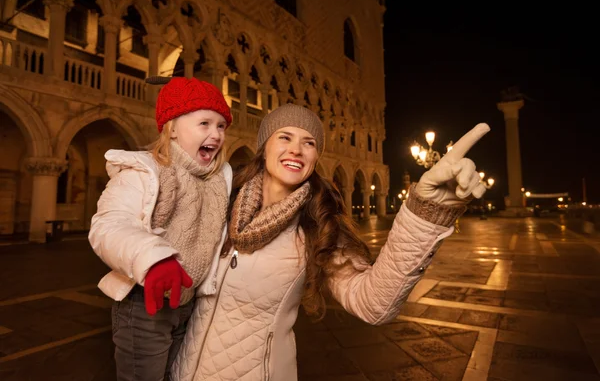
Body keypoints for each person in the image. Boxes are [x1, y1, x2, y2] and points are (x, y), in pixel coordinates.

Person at [171, 104, 490, 381]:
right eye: (285, 137)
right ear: (264, 146)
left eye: (308, 142)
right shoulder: (218, 205)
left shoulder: (315, 229)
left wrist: (427, 213)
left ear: (315, 157)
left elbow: (374, 304)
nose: (296, 149)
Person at [88, 77, 234, 381]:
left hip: (189, 303)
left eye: (221, 126)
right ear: (172, 127)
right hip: (145, 305)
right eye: (204, 123)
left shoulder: (220, 178)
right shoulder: (145, 171)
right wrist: (154, 259)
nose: (216, 134)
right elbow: (109, 225)